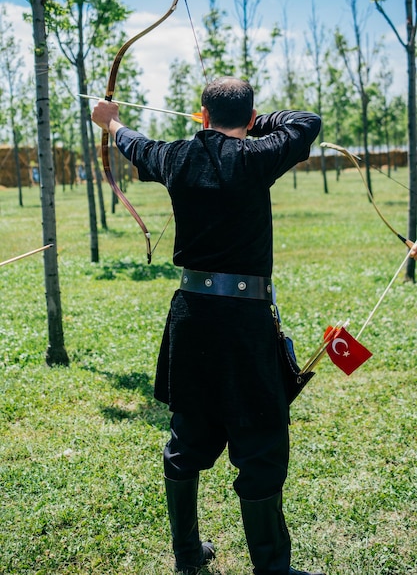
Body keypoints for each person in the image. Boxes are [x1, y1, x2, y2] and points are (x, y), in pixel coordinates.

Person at [92, 77, 323, 575]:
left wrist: (110, 121)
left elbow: (136, 144)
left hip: (193, 317)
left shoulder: (176, 156)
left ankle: (187, 558)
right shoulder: (258, 154)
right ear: (251, 113)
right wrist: (258, 123)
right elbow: (307, 123)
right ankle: (271, 570)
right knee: (259, 440)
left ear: (201, 114)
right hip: (242, 322)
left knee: (189, 436)